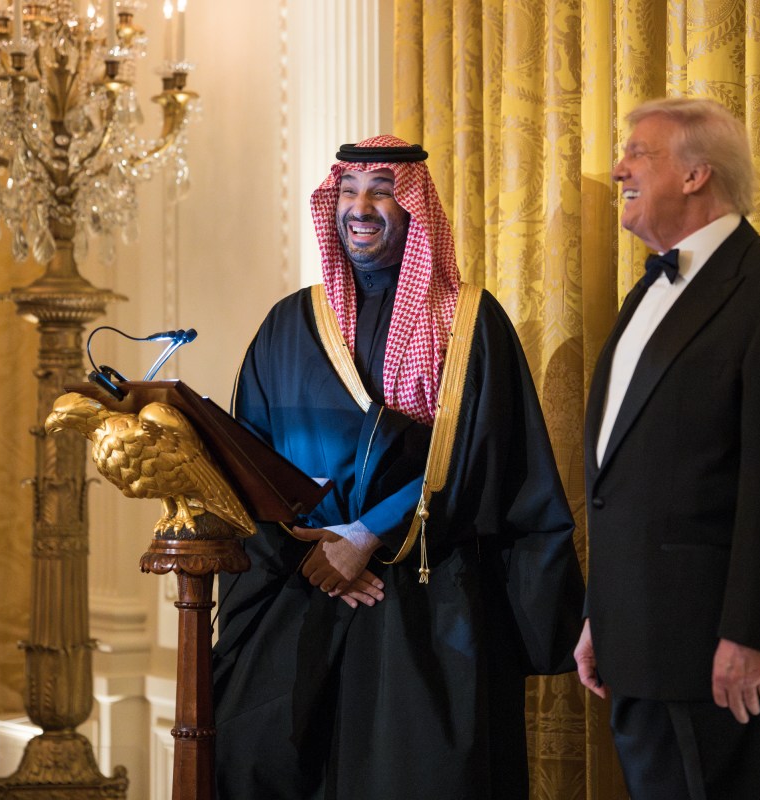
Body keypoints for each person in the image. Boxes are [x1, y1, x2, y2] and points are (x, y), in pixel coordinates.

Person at [212, 135, 585, 800]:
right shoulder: (288, 325)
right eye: (349, 193)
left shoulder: (468, 321)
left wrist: (368, 535)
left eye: (382, 192)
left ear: (414, 210)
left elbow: (486, 455)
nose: (361, 208)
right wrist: (316, 553)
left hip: (425, 598)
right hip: (302, 590)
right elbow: (250, 460)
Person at [574, 97, 760, 799]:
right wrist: (603, 614)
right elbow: (628, 479)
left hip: (728, 661)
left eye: (638, 152)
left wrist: (752, 636)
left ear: (696, 174)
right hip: (642, 648)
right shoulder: (645, 294)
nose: (618, 168)